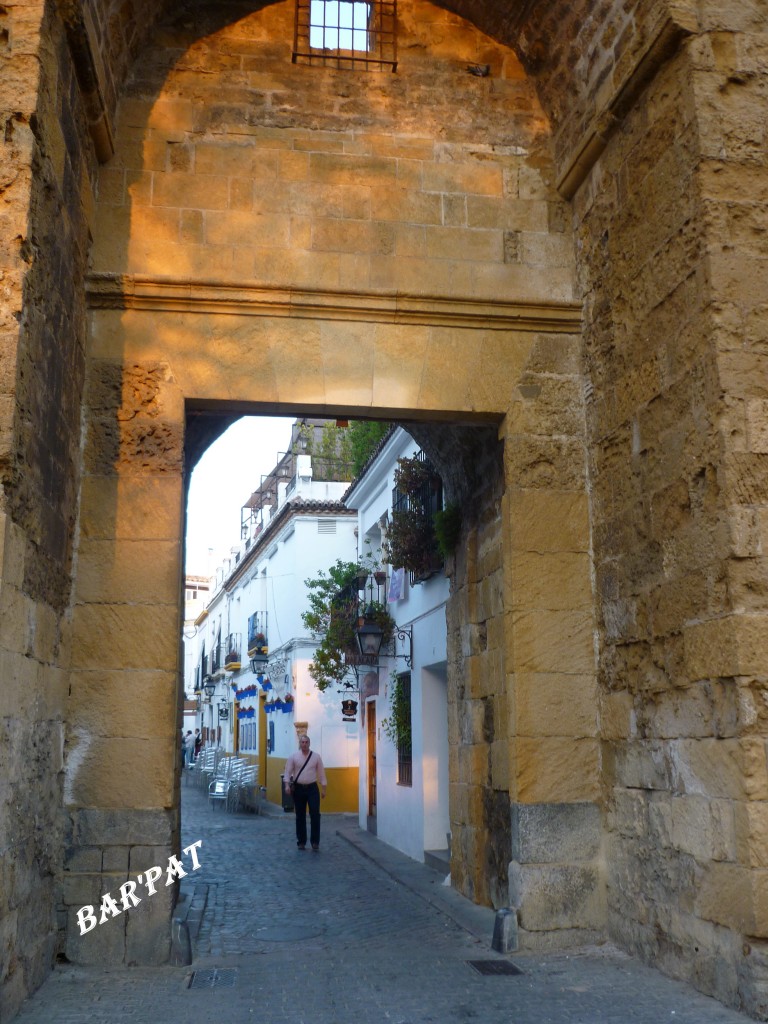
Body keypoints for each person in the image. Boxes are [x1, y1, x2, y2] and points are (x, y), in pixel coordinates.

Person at [284, 734, 327, 851]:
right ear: (300, 743)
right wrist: (287, 785)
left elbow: (321, 773)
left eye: (306, 742)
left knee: (315, 814)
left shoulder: (316, 757)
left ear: (309, 743)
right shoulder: (294, 757)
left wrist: (323, 788)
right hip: (298, 789)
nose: (304, 744)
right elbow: (288, 771)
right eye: (302, 742)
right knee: (300, 815)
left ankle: (315, 841)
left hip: (312, 788)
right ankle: (301, 841)